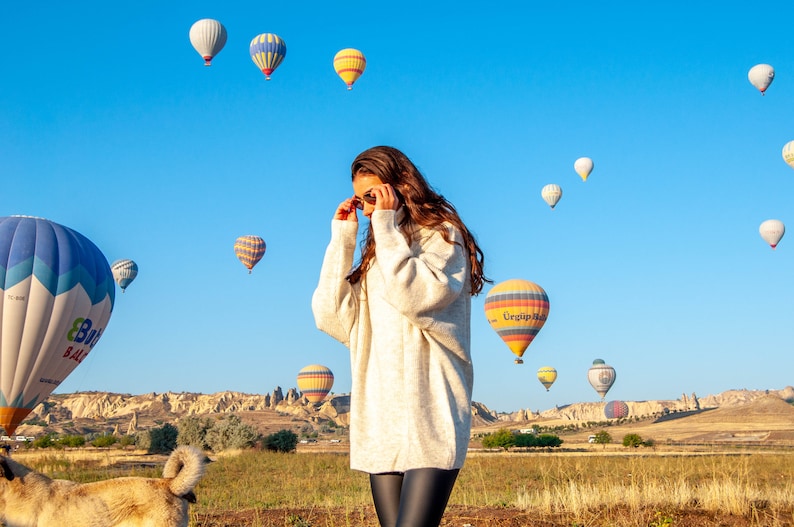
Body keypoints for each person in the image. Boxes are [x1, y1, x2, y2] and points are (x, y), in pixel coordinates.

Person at [312, 146, 488, 527]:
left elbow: (417, 298)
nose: (369, 209)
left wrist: (387, 229)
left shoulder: (443, 237)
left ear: (400, 185)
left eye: (373, 196)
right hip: (382, 417)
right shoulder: (378, 255)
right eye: (362, 200)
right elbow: (331, 317)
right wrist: (343, 238)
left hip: (431, 412)